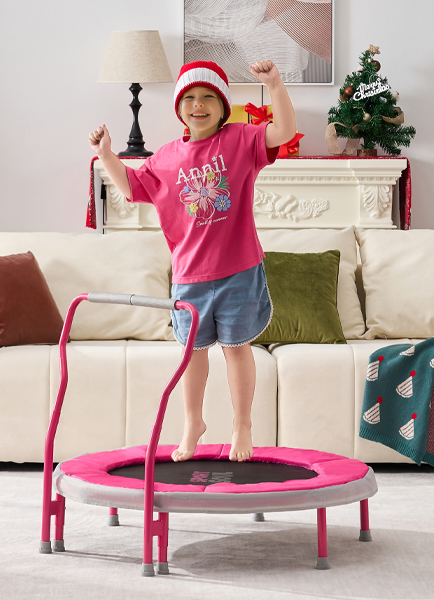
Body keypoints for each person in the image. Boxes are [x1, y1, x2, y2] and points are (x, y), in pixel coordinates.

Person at [88, 60, 296, 462]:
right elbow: (131, 186)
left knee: (237, 349)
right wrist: (106, 154)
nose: (198, 105)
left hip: (239, 271)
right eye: (190, 98)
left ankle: (242, 424)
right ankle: (192, 423)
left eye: (208, 97)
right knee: (192, 354)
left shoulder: (240, 140)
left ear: (223, 106)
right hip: (189, 277)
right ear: (179, 108)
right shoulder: (166, 158)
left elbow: (284, 131)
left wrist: (274, 84)